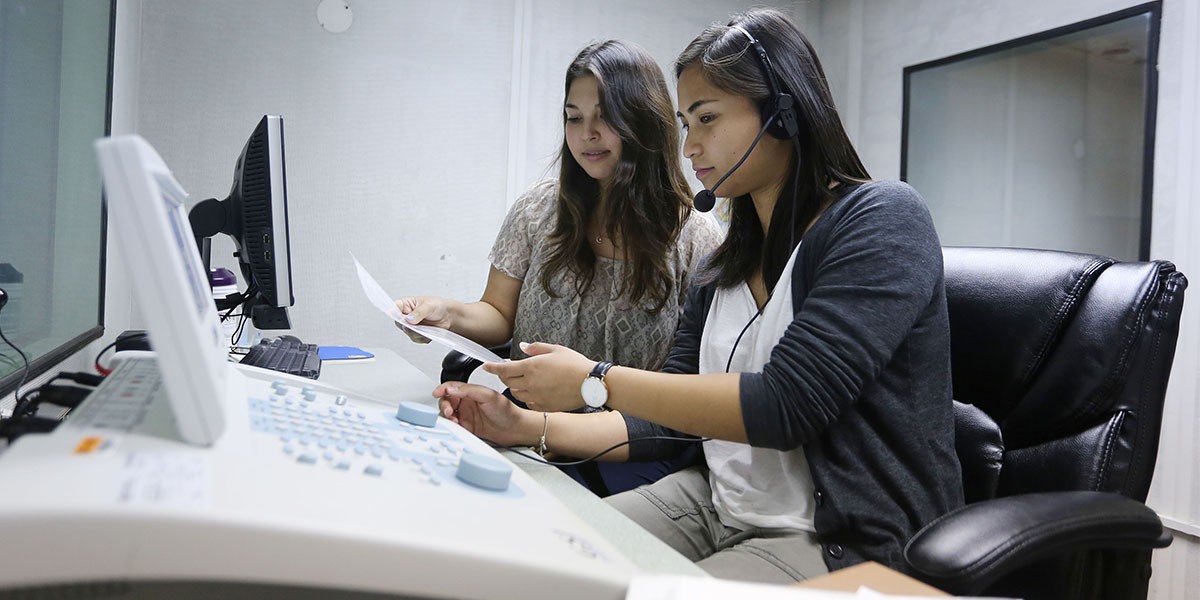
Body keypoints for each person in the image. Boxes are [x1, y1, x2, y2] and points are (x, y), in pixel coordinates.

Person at [433, 8, 963, 584]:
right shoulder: (722, 265)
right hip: (713, 501)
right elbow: (671, 423)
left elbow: (786, 406)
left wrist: (596, 377)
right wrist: (521, 426)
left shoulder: (881, 219)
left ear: (783, 111)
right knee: (532, 564)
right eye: (686, 124)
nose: (691, 147)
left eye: (707, 118)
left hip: (833, 535)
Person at [395, 40, 722, 497]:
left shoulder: (696, 236)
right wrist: (445, 316)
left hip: (622, 444)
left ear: (644, 121)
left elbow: (687, 394)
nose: (587, 133)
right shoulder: (538, 209)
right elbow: (498, 314)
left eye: (604, 117)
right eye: (573, 117)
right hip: (519, 417)